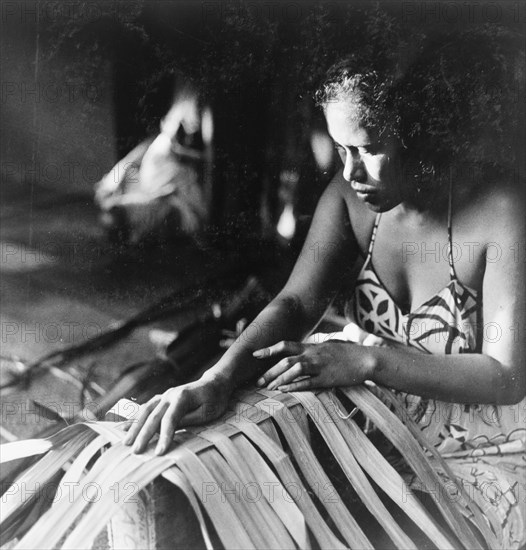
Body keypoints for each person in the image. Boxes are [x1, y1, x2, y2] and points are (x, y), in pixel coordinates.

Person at [124, 45, 525, 547]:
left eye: (369, 148)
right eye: (341, 149)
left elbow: (506, 377)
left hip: (484, 445)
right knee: (207, 482)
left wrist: (366, 361)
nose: (352, 172)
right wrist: (217, 378)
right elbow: (296, 304)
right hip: (376, 418)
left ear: (423, 134)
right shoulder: (348, 198)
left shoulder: (501, 212)